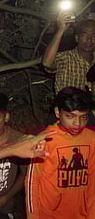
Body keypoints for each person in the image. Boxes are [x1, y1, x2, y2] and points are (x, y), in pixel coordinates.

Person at [25, 86, 95, 219]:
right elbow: (32, 182)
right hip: (48, 215)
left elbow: (93, 182)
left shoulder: (91, 139)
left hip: (81, 215)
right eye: (70, 116)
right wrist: (32, 215)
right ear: (58, 112)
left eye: (83, 117)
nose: (77, 123)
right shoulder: (45, 139)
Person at [43, 17, 95, 93]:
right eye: (84, 35)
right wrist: (61, 30)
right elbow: (47, 63)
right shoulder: (66, 58)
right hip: (66, 104)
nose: (89, 40)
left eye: (94, 36)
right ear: (77, 38)